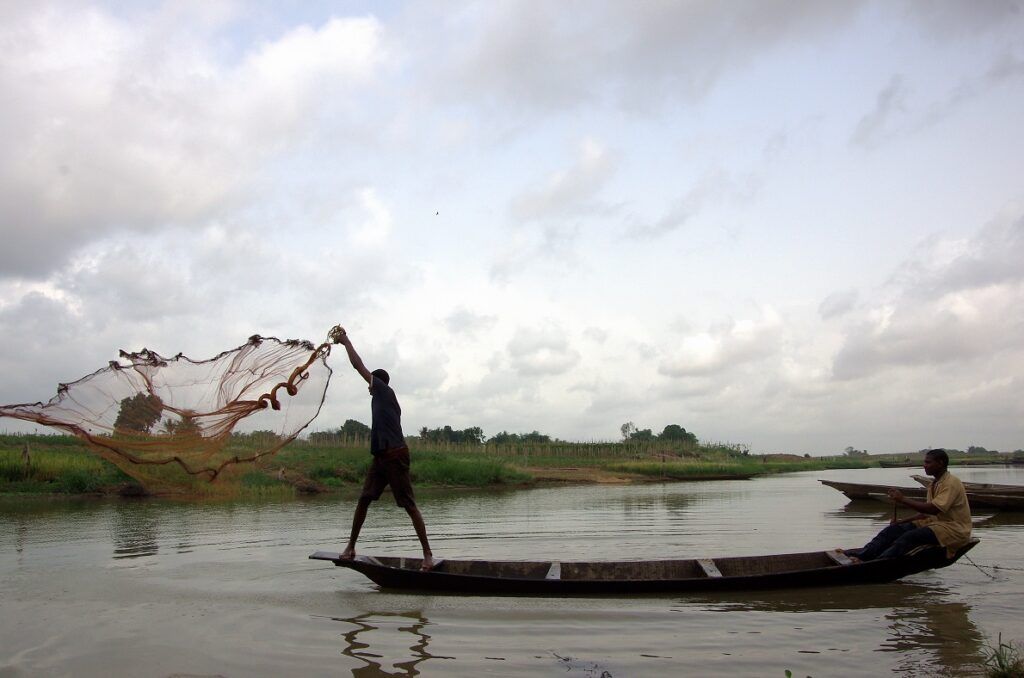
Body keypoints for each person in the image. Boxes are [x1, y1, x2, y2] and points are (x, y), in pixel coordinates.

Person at [335, 327, 436, 571]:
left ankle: (428, 556)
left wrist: (345, 340)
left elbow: (358, 365)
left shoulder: (382, 390)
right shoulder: (383, 399)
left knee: (408, 505)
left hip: (395, 456)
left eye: (370, 384)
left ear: (377, 382)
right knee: (364, 499)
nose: (368, 388)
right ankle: (350, 546)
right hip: (381, 458)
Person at [851, 449, 971, 561]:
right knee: (892, 530)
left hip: (953, 529)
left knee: (909, 537)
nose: (924, 465)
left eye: (928, 462)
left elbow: (934, 509)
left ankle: (879, 563)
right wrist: (901, 522)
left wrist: (902, 499)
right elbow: (925, 513)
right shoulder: (934, 483)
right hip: (935, 524)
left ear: (940, 463)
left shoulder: (951, 483)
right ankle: (863, 555)